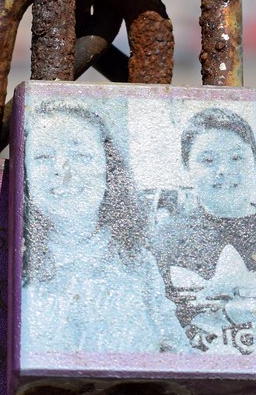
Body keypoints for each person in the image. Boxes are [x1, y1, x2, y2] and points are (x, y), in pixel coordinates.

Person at [21, 101, 189, 355]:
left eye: (81, 156)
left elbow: (178, 352)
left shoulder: (137, 261)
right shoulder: (10, 261)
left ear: (109, 170)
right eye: (43, 156)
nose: (62, 172)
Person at [152, 107, 256, 354]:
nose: (223, 170)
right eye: (208, 160)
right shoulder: (165, 239)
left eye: (236, 158)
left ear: (255, 161)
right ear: (186, 167)